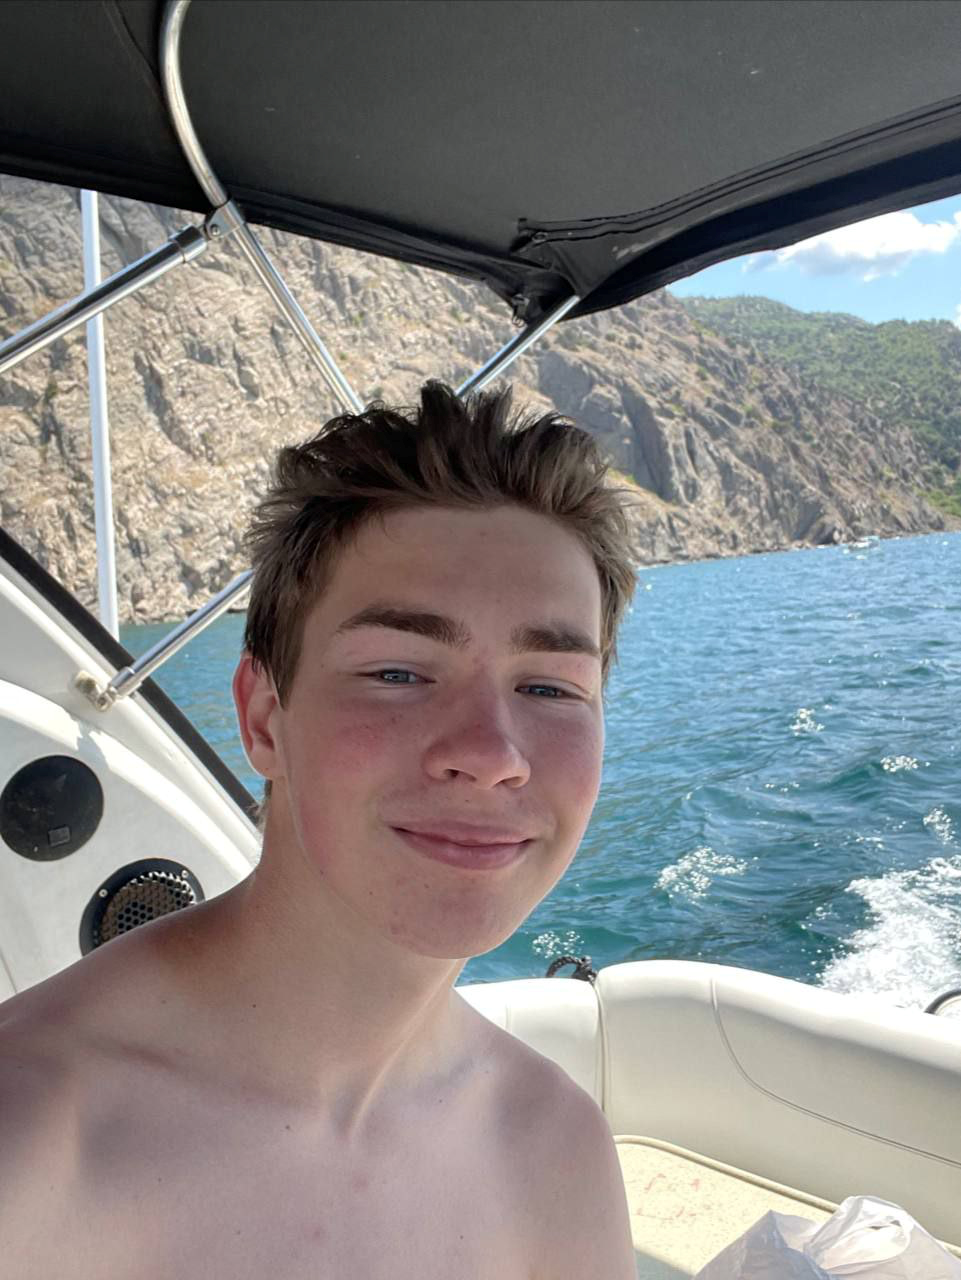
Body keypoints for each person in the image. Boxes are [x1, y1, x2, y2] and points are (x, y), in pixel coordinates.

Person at [0, 381, 638, 1278]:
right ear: (264, 718)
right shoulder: (30, 1145)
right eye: (398, 673)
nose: (492, 755)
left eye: (548, 687)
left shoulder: (555, 1149)